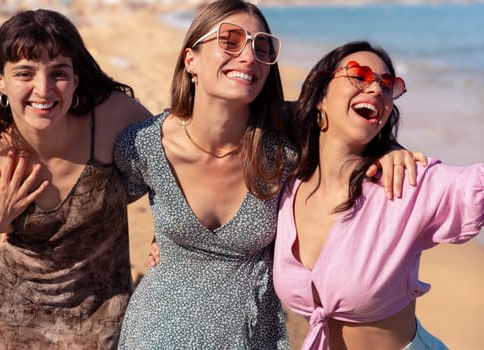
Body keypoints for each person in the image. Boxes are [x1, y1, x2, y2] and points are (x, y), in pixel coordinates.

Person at [114, 1, 423, 348]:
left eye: (261, 47)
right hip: (156, 334)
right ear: (191, 61)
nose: (249, 56)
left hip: (251, 337)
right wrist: (162, 240)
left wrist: (392, 152)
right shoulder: (143, 146)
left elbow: (350, 126)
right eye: (230, 41)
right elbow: (97, 211)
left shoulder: (286, 140)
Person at [0, 9, 151, 349]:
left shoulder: (114, 118)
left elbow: (171, 170)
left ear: (75, 79)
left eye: (58, 73)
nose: (43, 89)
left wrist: (164, 240)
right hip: (15, 312)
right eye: (24, 73)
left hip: (103, 307)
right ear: (0, 78)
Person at [273, 40, 484, 350]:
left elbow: (474, 186)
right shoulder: (287, 183)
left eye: (388, 86)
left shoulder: (405, 183)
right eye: (358, 75)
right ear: (321, 96)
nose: (375, 90)